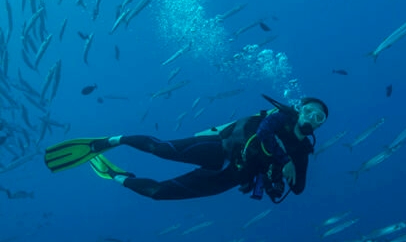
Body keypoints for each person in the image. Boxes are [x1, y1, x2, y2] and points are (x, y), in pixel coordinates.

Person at [44, 95, 328, 203]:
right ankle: (107, 141)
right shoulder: (281, 118)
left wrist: (283, 174)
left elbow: (299, 188)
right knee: (160, 148)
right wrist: (282, 158)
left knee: (159, 193)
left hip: (232, 177)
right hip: (222, 149)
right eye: (310, 111)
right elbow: (264, 131)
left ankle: (118, 176)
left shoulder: (302, 150)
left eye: (319, 118)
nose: (312, 118)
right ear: (300, 110)